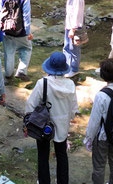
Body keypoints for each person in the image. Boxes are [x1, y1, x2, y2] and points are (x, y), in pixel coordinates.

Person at [25, 51, 78, 184]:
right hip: (62, 124)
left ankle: (44, 181)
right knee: (61, 154)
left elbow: (31, 105)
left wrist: (27, 124)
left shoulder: (42, 83)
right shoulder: (70, 85)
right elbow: (73, 108)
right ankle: (63, 181)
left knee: (42, 155)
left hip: (43, 125)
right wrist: (69, 118)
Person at [84, 58, 113, 184]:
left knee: (99, 166)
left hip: (103, 137)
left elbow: (94, 121)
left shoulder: (101, 95)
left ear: (104, 76)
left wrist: (89, 138)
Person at [0, 0, 33, 81]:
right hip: (21, 32)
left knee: (9, 52)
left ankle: (8, 75)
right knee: (26, 48)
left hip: (7, 31)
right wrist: (28, 33)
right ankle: (21, 71)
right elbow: (26, 17)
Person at [57, 0, 85, 78]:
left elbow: (78, 14)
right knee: (66, 47)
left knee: (74, 49)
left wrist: (73, 29)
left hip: (74, 27)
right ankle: (67, 67)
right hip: (69, 26)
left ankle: (74, 69)